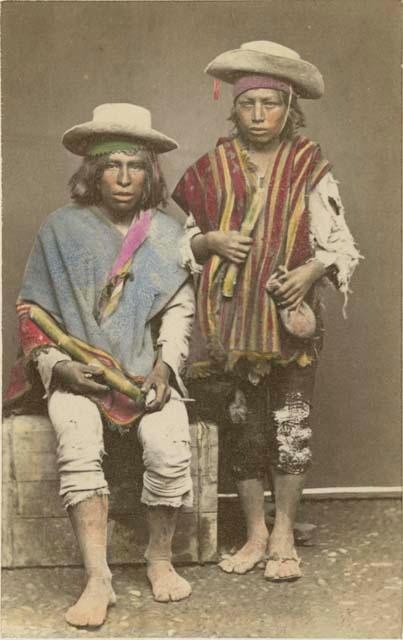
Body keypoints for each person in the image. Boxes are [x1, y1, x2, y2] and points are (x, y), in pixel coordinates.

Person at [172, 41, 361, 582]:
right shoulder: (210, 168)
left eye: (270, 104)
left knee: (291, 427)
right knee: (244, 429)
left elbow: (341, 245)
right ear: (233, 107)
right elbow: (179, 245)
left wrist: (311, 270)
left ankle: (284, 534)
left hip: (289, 325)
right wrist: (210, 242)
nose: (259, 116)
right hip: (228, 326)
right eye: (249, 104)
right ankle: (256, 532)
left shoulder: (310, 166)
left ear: (289, 109)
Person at [5, 103, 196, 626]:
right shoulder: (60, 229)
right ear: (93, 170)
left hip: (143, 375)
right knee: (78, 437)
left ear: (150, 173)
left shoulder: (166, 232)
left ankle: (159, 558)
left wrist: (164, 369)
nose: (124, 177)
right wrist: (58, 369)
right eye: (113, 165)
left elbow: (178, 312)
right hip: (78, 371)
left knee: (170, 441)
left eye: (136, 166)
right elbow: (33, 312)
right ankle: (98, 576)